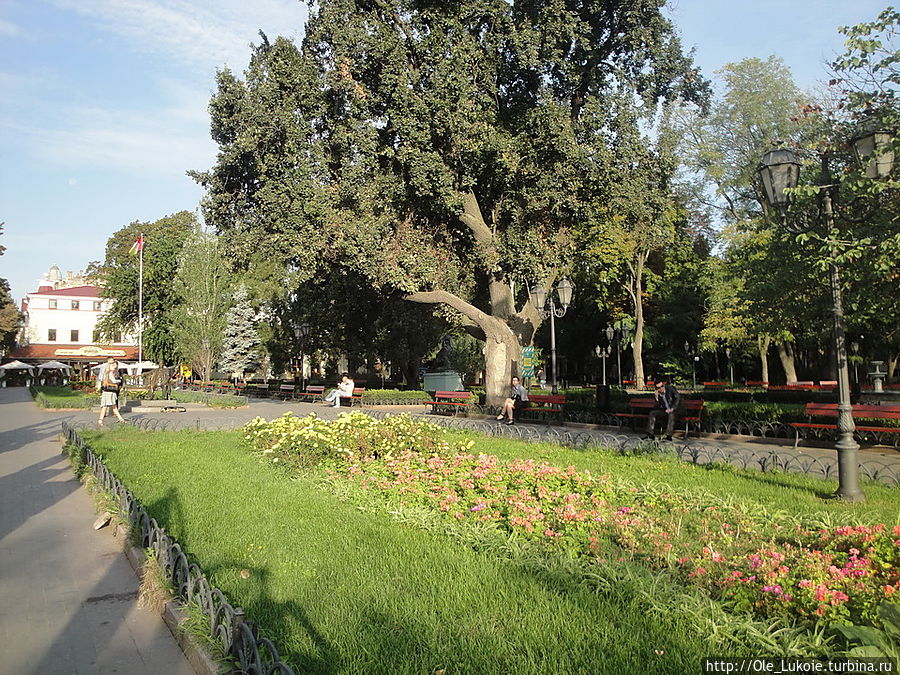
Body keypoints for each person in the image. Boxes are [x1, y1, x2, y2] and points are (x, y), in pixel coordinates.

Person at [96, 357, 125, 426]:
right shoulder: (110, 373)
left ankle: (121, 419)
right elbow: (114, 381)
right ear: (109, 366)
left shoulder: (106, 373)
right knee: (110, 406)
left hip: (106, 391)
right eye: (113, 366)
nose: (114, 367)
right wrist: (119, 380)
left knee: (108, 407)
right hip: (110, 392)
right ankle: (101, 420)